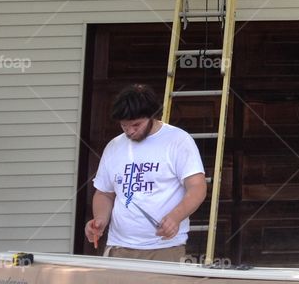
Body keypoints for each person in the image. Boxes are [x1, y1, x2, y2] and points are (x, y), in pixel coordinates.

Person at [84, 84, 207, 262]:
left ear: (152, 116)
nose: (130, 131)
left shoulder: (178, 140)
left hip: (165, 248)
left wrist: (175, 216)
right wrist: (100, 220)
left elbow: (197, 187)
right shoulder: (113, 146)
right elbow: (104, 193)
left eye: (136, 125)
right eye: (124, 126)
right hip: (118, 247)